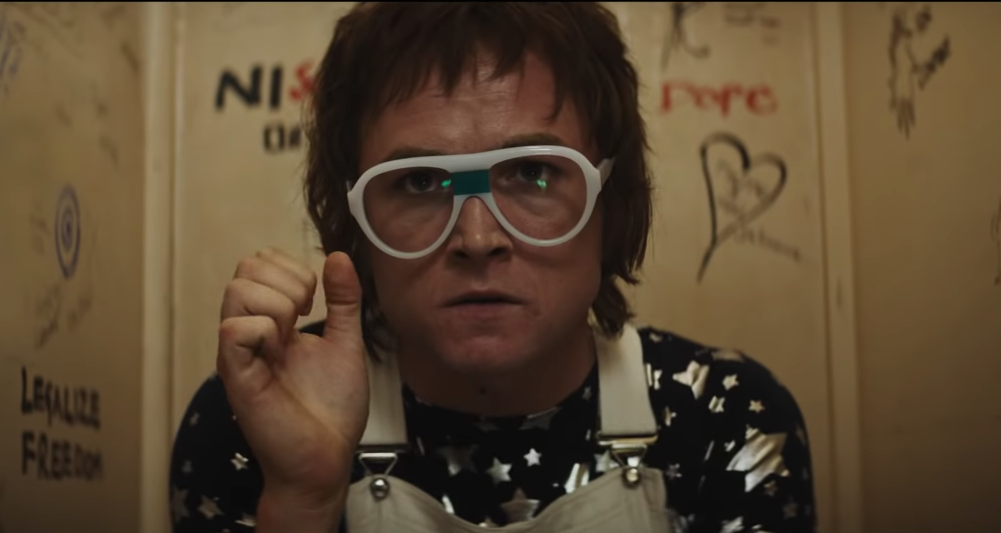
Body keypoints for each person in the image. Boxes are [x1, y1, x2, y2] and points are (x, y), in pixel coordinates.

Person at [169, 3, 816, 532]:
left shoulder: (722, 416)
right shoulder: (257, 417)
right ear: (355, 219)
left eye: (533, 173)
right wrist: (301, 502)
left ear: (610, 200)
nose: (477, 238)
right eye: (420, 181)